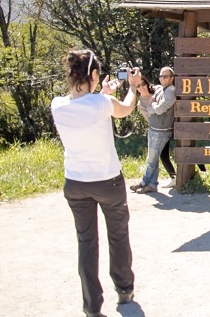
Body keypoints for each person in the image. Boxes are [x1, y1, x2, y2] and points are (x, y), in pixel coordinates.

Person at [50, 49, 140, 317]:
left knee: (86, 242)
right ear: (92, 74)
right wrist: (133, 88)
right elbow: (125, 109)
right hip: (107, 182)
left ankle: (91, 307)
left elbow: (87, 108)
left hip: (75, 183)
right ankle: (124, 289)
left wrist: (103, 92)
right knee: (118, 235)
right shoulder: (102, 104)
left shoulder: (58, 104)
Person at [130, 66, 176, 193]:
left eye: (143, 84)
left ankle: (146, 183)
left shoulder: (161, 89)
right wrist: (153, 107)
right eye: (138, 86)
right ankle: (149, 183)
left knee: (152, 159)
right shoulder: (141, 103)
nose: (141, 87)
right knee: (153, 158)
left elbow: (159, 110)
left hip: (162, 130)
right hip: (153, 129)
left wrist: (153, 106)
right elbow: (150, 116)